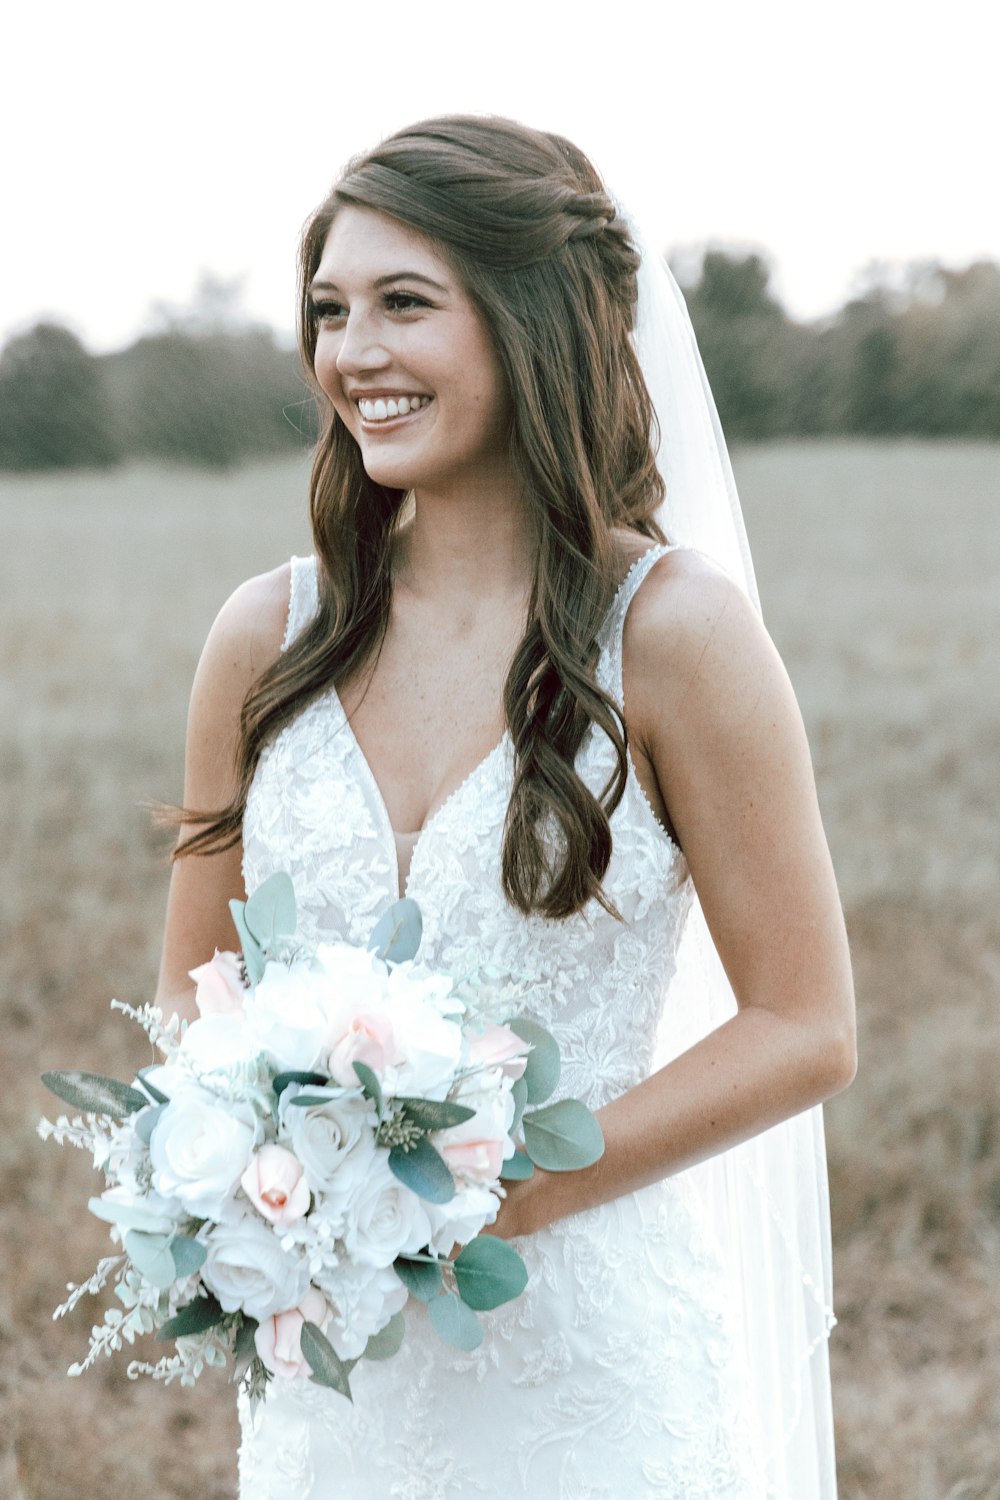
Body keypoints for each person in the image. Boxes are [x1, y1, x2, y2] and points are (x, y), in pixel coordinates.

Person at [155, 115, 856, 1499]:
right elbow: (191, 988)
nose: (354, 352)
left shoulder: (675, 636)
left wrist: (518, 1185)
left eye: (405, 303)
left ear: (533, 323)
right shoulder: (266, 635)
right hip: (335, 1376)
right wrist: (260, 1159)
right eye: (330, 309)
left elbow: (806, 1025)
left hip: (588, 1374)